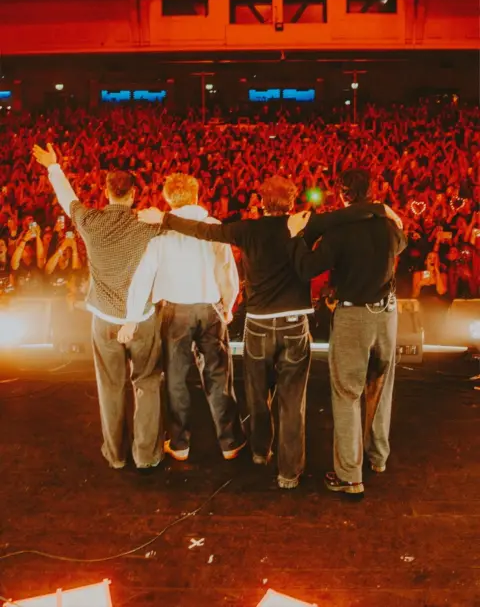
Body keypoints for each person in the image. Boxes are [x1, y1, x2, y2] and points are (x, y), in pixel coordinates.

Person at [139, 176, 395, 490]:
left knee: (257, 396)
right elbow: (340, 216)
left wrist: (164, 218)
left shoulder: (247, 229)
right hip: (293, 325)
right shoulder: (301, 224)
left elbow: (203, 231)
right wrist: (380, 209)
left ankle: (261, 451)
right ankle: (289, 473)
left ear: (261, 201)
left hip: (259, 325)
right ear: (291, 202)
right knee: (291, 402)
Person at [32, 143, 166, 473]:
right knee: (147, 384)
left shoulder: (90, 221)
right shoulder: (148, 225)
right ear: (134, 193)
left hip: (104, 318)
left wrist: (54, 167)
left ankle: (117, 455)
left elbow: (68, 201)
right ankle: (146, 455)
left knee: (110, 387)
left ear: (106, 191)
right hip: (143, 319)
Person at [288, 169, 407, 500]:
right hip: (388, 313)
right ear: (371, 191)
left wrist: (298, 237)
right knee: (380, 388)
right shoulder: (388, 226)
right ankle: (377, 457)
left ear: (341, 194)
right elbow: (402, 242)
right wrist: (388, 213)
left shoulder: (337, 232)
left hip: (355, 315)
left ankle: (350, 476)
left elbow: (307, 268)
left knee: (347, 393)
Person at [127, 173, 244, 462]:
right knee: (219, 376)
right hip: (209, 308)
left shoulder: (160, 230)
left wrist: (132, 314)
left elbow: (144, 274)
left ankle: (179, 444)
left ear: (167, 198)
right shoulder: (214, 226)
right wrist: (228, 304)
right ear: (196, 194)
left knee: (176, 379)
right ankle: (230, 442)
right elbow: (227, 271)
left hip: (175, 311)